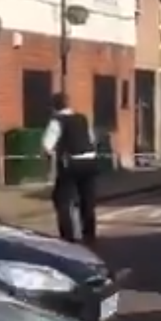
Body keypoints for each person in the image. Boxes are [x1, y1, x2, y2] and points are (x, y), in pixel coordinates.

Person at [42, 92, 98, 244]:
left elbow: (47, 146)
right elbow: (92, 139)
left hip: (71, 163)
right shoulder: (83, 118)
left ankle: (68, 237)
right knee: (87, 199)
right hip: (90, 161)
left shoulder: (57, 121)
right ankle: (89, 234)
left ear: (54, 106)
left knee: (62, 199)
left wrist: (51, 160)